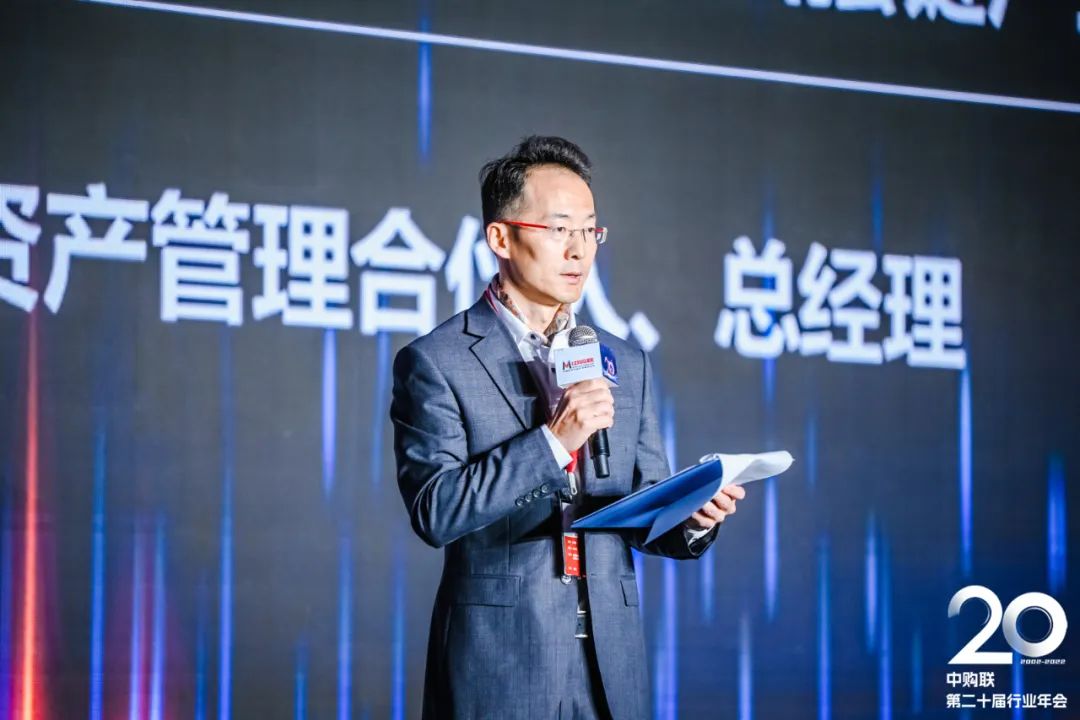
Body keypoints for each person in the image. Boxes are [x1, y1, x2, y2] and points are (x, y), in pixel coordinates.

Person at [390, 136, 746, 719]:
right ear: (501, 238)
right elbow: (437, 511)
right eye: (559, 229)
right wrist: (553, 443)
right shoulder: (437, 361)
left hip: (610, 664)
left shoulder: (623, 361)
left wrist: (692, 515)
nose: (579, 250)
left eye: (590, 231)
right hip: (501, 663)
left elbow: (640, 509)